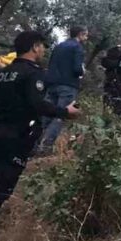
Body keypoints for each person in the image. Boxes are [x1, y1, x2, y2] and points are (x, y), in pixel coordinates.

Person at [0, 31, 80, 241]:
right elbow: (38, 104)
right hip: (14, 138)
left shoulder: (2, 73)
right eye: (41, 46)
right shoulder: (32, 73)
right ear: (34, 47)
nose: (43, 50)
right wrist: (65, 111)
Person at [36, 25, 87, 156]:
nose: (86, 38)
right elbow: (77, 69)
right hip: (68, 85)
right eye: (85, 35)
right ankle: (45, 147)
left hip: (52, 84)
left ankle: (35, 144)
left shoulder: (59, 46)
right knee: (61, 115)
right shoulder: (77, 47)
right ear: (80, 34)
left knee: (47, 115)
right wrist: (82, 71)